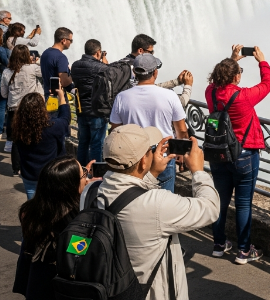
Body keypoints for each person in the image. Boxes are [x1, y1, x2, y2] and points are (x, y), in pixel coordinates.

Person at [83, 124, 219, 299]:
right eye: (150, 150)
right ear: (142, 161)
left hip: (110, 289)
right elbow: (210, 208)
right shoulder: (157, 204)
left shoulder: (90, 192)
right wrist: (198, 171)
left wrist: (150, 173)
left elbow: (125, 191)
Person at [205, 44, 270, 264]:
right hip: (244, 155)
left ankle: (218, 244)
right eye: (239, 73)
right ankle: (244, 251)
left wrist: (233, 59)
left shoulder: (211, 93)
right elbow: (268, 83)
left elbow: (217, 80)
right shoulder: (243, 96)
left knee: (221, 200)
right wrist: (261, 61)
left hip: (218, 155)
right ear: (236, 77)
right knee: (243, 203)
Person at [13, 157, 96, 299]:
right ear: (70, 187)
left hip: (34, 284)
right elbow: (79, 259)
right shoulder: (75, 225)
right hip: (56, 291)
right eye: (83, 173)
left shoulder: (30, 211)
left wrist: (82, 180)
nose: (86, 175)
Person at [109, 54, 188, 193]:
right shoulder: (170, 96)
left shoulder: (122, 97)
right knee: (163, 203)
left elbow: (116, 130)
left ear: (135, 72)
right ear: (155, 72)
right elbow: (181, 131)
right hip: (162, 157)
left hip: (133, 159)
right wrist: (181, 152)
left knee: (135, 200)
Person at [13, 88, 71, 199]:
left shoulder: (18, 129)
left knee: (33, 207)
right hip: (51, 174)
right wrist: (61, 97)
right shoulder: (51, 127)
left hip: (29, 174)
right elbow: (65, 118)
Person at [1, 45, 44, 175]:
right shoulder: (33, 68)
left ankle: (16, 168)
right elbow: (46, 72)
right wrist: (37, 61)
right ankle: (33, 165)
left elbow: (3, 94)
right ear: (27, 55)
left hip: (14, 108)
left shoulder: (6, 72)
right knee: (35, 136)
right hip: (31, 107)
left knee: (17, 139)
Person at [120, 33, 193, 105]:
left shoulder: (122, 64)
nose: (152, 54)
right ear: (140, 51)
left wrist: (176, 82)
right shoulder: (140, 68)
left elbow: (148, 87)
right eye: (151, 52)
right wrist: (188, 85)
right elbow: (182, 102)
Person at [71, 39, 109, 165]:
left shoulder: (75, 65)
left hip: (81, 110)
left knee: (83, 142)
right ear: (98, 52)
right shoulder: (101, 67)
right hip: (96, 112)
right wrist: (105, 64)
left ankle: (81, 169)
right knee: (96, 144)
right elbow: (110, 79)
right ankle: (95, 174)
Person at [40, 27, 73, 97]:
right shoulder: (61, 57)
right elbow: (65, 82)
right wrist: (72, 75)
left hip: (47, 96)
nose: (71, 43)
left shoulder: (45, 53)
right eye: (71, 40)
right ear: (64, 40)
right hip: (58, 99)